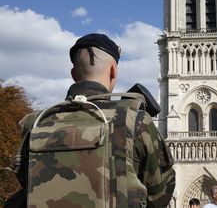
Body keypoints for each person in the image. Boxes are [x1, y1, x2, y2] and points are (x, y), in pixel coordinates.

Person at [8, 33, 175, 207]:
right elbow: (161, 193)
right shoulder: (136, 120)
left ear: (73, 74)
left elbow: (24, 181)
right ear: (113, 71)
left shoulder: (35, 122)